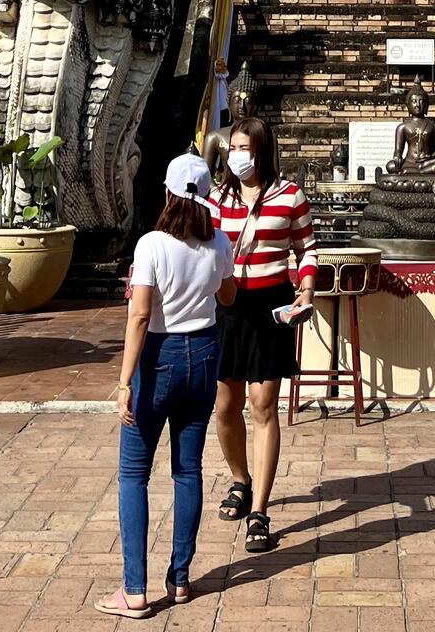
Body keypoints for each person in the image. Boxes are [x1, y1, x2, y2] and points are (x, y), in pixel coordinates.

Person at [95, 153, 236, 621]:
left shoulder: (152, 244)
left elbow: (139, 314)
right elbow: (229, 295)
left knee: (134, 473)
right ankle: (179, 578)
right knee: (187, 470)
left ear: (168, 194)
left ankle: (134, 589)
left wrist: (123, 381)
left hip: (160, 354)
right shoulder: (219, 241)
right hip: (204, 353)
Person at [209, 114, 318, 554]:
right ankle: (240, 478)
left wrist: (305, 289)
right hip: (227, 307)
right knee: (225, 405)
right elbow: (204, 248)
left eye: (245, 149)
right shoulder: (217, 199)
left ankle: (259, 510)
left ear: (263, 151)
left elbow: (306, 248)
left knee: (263, 405)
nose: (237, 156)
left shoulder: (289, 195)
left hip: (272, 306)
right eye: (233, 148)